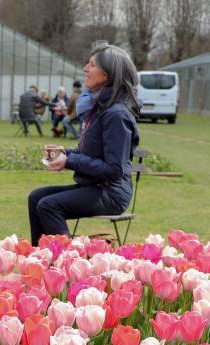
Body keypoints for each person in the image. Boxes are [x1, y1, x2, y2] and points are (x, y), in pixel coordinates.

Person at [27, 44, 140, 245]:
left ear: (107, 75)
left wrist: (70, 160)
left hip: (111, 192)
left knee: (48, 206)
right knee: (36, 198)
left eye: (92, 64)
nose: (85, 68)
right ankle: (41, 259)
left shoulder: (116, 115)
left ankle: (70, 261)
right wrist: (65, 153)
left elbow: (114, 169)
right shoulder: (99, 110)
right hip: (94, 186)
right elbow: (90, 153)